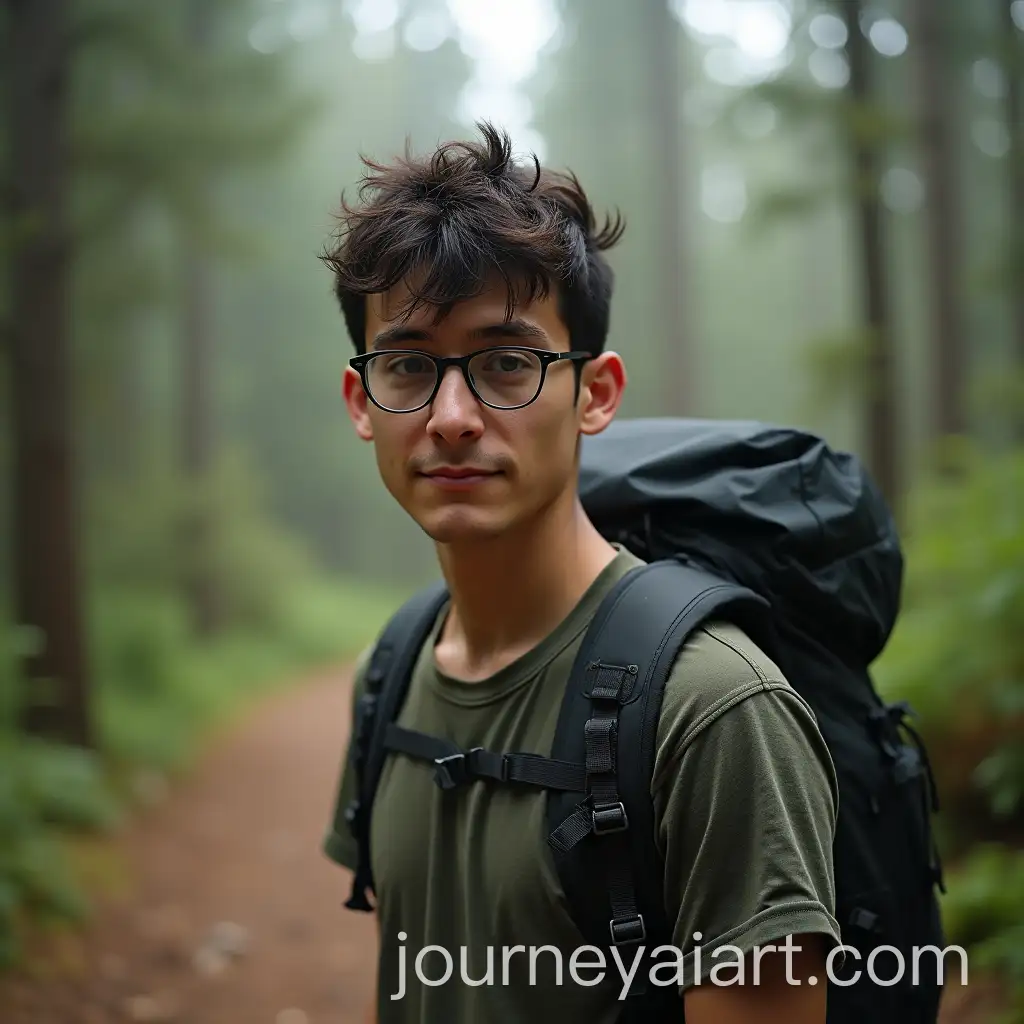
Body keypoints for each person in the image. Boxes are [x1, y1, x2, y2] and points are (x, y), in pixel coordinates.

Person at [319, 121, 843, 1024]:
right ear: (362, 401)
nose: (452, 416)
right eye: (407, 365)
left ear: (593, 393)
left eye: (507, 362)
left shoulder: (712, 709)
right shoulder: (391, 673)